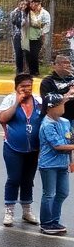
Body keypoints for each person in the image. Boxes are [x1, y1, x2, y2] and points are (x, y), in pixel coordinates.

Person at [0, 73, 42, 227]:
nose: (26, 89)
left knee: (28, 180)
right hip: (12, 147)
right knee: (14, 178)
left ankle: (27, 210)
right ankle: (9, 211)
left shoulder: (38, 100)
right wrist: (17, 102)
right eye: (23, 86)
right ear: (16, 87)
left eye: (29, 86)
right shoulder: (9, 99)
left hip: (33, 149)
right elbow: (3, 118)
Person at [37, 92, 74, 235]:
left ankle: (54, 220)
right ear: (51, 108)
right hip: (49, 165)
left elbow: (69, 141)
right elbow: (57, 145)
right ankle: (46, 223)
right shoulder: (47, 124)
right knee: (49, 194)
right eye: (61, 104)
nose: (63, 107)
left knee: (62, 193)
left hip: (62, 164)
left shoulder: (65, 122)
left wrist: (71, 161)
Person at [22, 0, 52, 74]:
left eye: (35, 3)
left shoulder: (44, 13)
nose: (33, 5)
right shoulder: (29, 13)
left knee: (34, 54)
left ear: (39, 4)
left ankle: (35, 71)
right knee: (27, 54)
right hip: (27, 36)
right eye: (31, 3)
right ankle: (29, 71)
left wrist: (42, 32)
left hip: (37, 36)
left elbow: (45, 24)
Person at [10, 0, 29, 72]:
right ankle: (19, 70)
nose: (23, 6)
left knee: (27, 53)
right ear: (18, 4)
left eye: (25, 4)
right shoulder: (14, 13)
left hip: (27, 35)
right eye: (22, 4)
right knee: (18, 53)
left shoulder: (28, 13)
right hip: (17, 35)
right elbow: (13, 23)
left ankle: (27, 69)